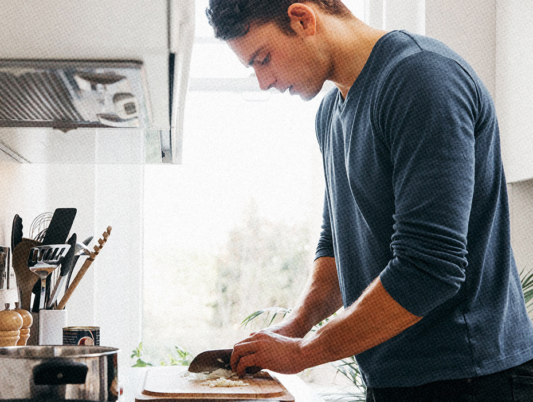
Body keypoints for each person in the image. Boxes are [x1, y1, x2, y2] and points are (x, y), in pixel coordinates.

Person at [205, 0, 533, 400]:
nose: (263, 81)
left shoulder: (422, 78)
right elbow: (337, 247)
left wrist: (305, 352)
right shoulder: (331, 112)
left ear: (302, 19)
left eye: (263, 58)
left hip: (473, 380)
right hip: (397, 381)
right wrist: (296, 325)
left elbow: (430, 268)